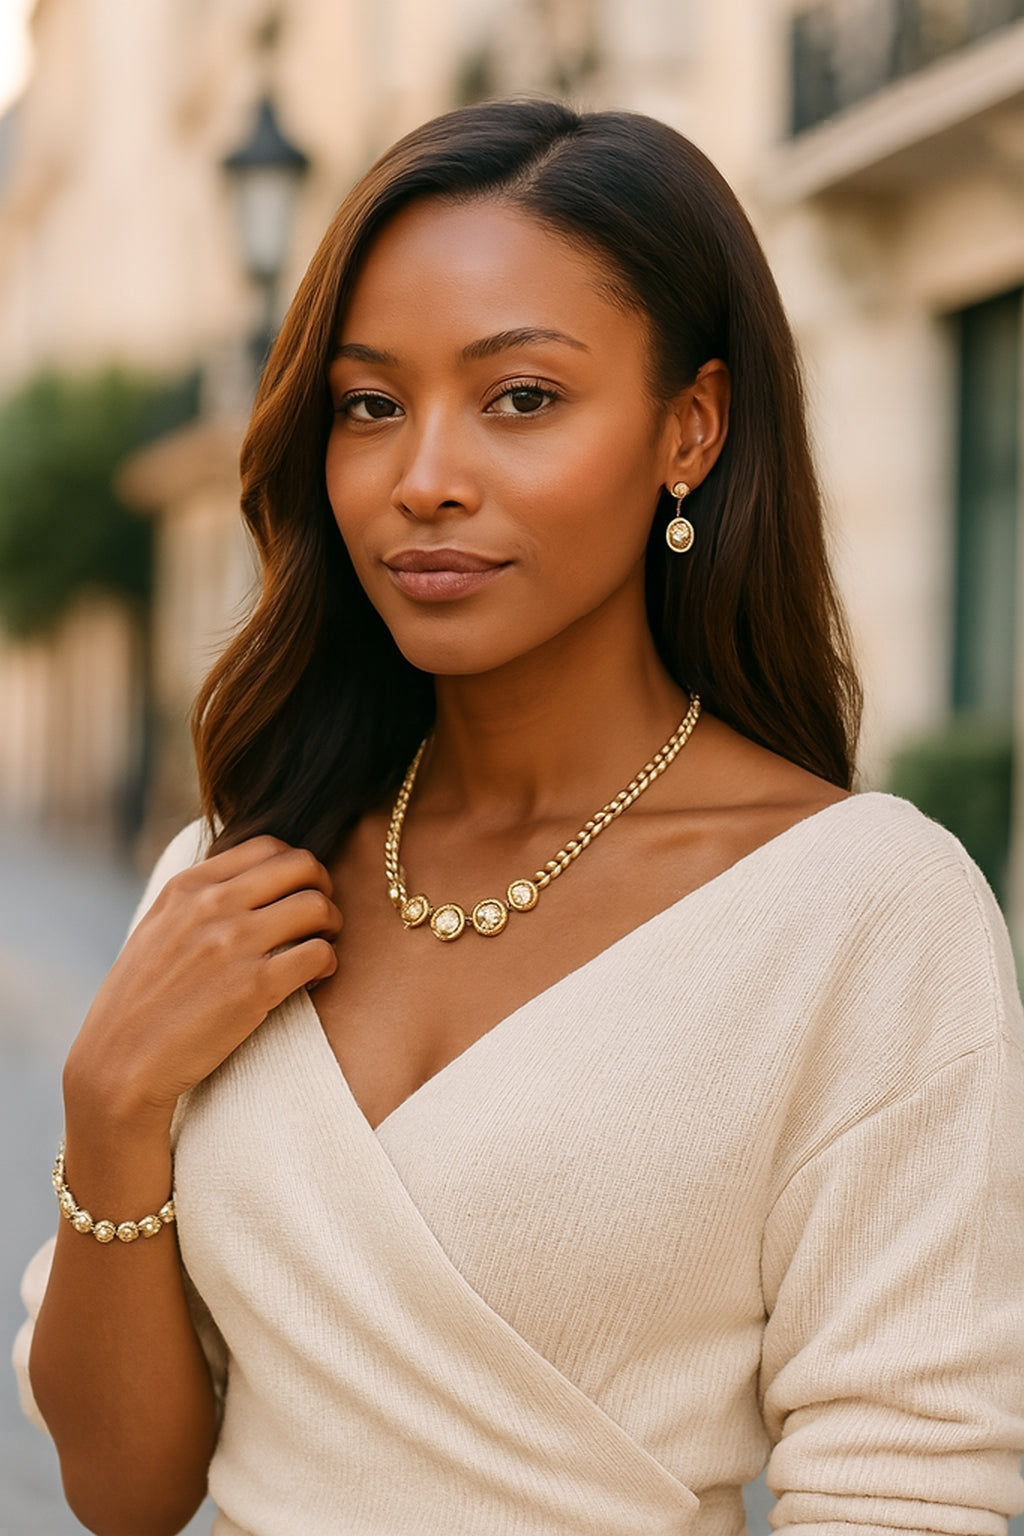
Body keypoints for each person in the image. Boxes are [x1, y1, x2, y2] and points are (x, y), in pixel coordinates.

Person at [14, 99, 1024, 1536]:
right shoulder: (234, 877)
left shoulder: (863, 909)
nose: (423, 475)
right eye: (371, 405)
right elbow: (123, 1493)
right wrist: (110, 1107)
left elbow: (907, 1492)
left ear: (692, 427)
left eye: (521, 398)